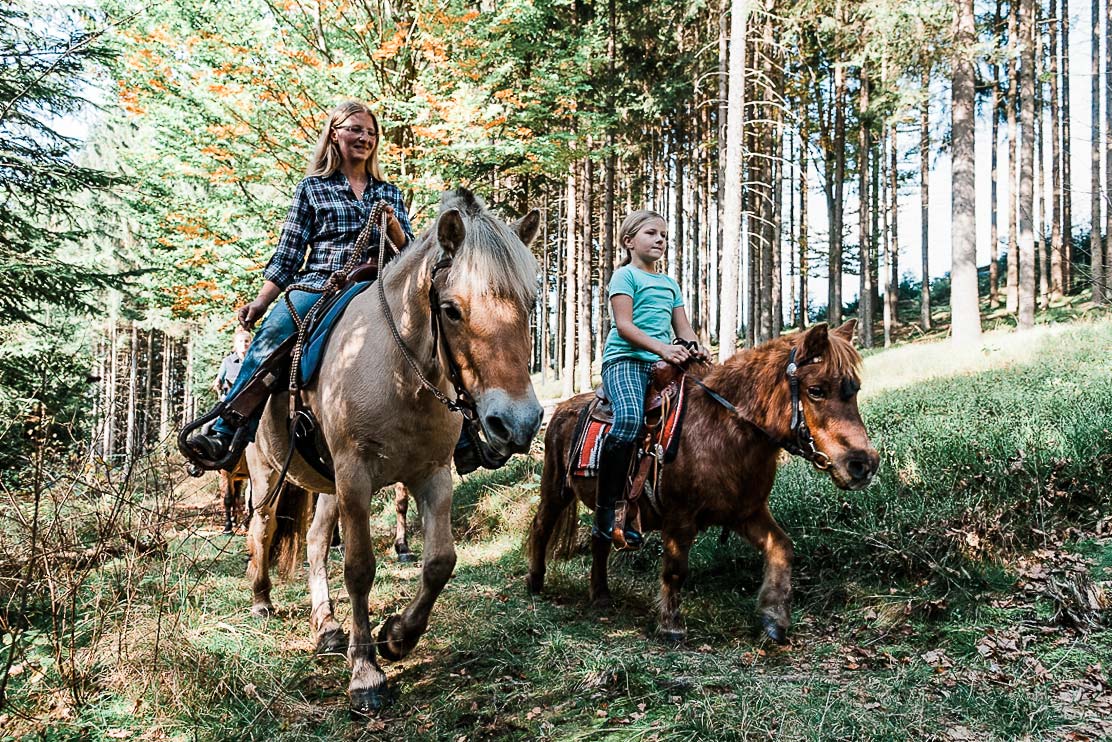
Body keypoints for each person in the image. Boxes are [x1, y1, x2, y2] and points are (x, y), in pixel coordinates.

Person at [187, 100, 413, 463]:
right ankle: (225, 431)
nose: (364, 138)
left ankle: (466, 436)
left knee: (442, 325)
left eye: (371, 133)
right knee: (271, 339)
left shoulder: (389, 193)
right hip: (323, 284)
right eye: (355, 129)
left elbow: (411, 254)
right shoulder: (312, 188)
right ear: (335, 134)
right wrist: (261, 304)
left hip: (381, 285)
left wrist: (397, 231)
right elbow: (289, 254)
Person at [596, 209, 709, 548]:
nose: (660, 239)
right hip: (626, 360)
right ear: (629, 241)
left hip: (663, 363)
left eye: (663, 235)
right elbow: (624, 326)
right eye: (651, 233)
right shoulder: (624, 277)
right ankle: (607, 510)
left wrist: (694, 346)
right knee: (629, 420)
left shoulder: (669, 284)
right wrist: (663, 349)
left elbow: (683, 328)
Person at [212, 328, 251, 400]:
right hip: (229, 398)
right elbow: (219, 379)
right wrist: (217, 384)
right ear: (236, 344)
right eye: (240, 341)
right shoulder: (227, 361)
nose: (244, 344)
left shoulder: (254, 361)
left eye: (246, 341)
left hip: (249, 398)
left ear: (251, 343)